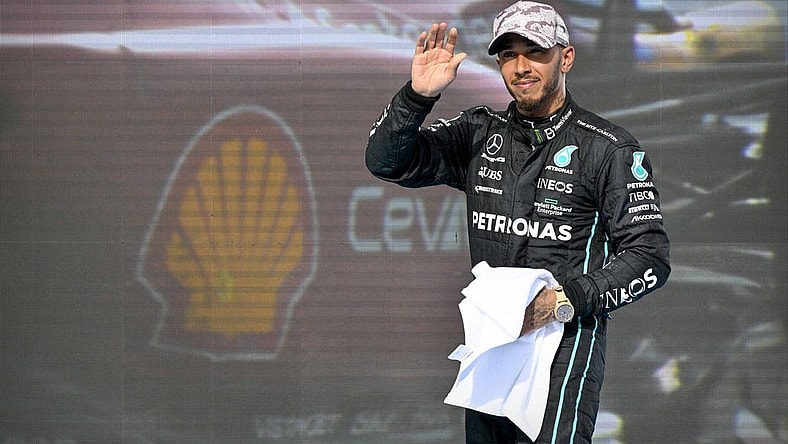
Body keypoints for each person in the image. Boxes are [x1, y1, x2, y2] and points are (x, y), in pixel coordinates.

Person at [365, 1, 671, 443]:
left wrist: (561, 302)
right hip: (492, 345)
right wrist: (418, 98)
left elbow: (650, 257)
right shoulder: (477, 133)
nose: (521, 66)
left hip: (563, 345)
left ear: (565, 57)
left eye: (535, 52)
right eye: (508, 54)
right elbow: (385, 163)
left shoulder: (608, 148)